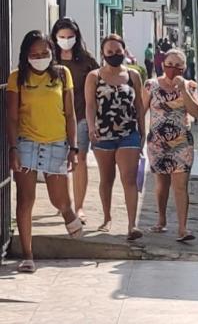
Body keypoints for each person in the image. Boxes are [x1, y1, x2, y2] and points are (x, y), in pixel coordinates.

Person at [7, 31, 83, 273]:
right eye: (34, 54)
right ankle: (28, 255)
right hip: (27, 142)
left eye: (44, 53)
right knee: (25, 200)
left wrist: (73, 147)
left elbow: (70, 114)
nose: (40, 58)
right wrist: (13, 149)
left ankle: (68, 212)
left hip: (57, 144)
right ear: (26, 55)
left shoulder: (62, 74)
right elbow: (11, 117)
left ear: (52, 53)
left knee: (58, 199)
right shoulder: (17, 78)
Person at [85, 34, 145, 241]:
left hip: (129, 133)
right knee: (107, 178)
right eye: (109, 52)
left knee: (129, 178)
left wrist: (143, 131)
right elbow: (90, 104)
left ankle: (132, 224)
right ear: (103, 53)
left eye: (118, 52)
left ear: (124, 51)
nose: (114, 55)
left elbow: (139, 106)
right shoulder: (94, 76)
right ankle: (107, 217)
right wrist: (91, 126)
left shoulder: (133, 76)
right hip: (103, 134)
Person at [142, 49, 198, 241]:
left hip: (181, 143)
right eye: (170, 64)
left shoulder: (190, 86)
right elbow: (141, 110)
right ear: (162, 65)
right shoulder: (151, 85)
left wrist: (183, 89)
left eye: (178, 65)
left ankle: (183, 228)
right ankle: (161, 220)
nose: (173, 69)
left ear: (184, 68)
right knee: (161, 184)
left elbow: (196, 113)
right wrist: (139, 138)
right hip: (157, 143)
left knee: (180, 185)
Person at [51, 17, 99, 225]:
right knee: (58, 163)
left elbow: (99, 84)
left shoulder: (86, 60)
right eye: (62, 37)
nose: (66, 40)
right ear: (55, 37)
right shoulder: (50, 59)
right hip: (53, 119)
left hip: (79, 117)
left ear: (77, 37)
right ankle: (64, 203)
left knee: (79, 161)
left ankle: (78, 207)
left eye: (70, 37)